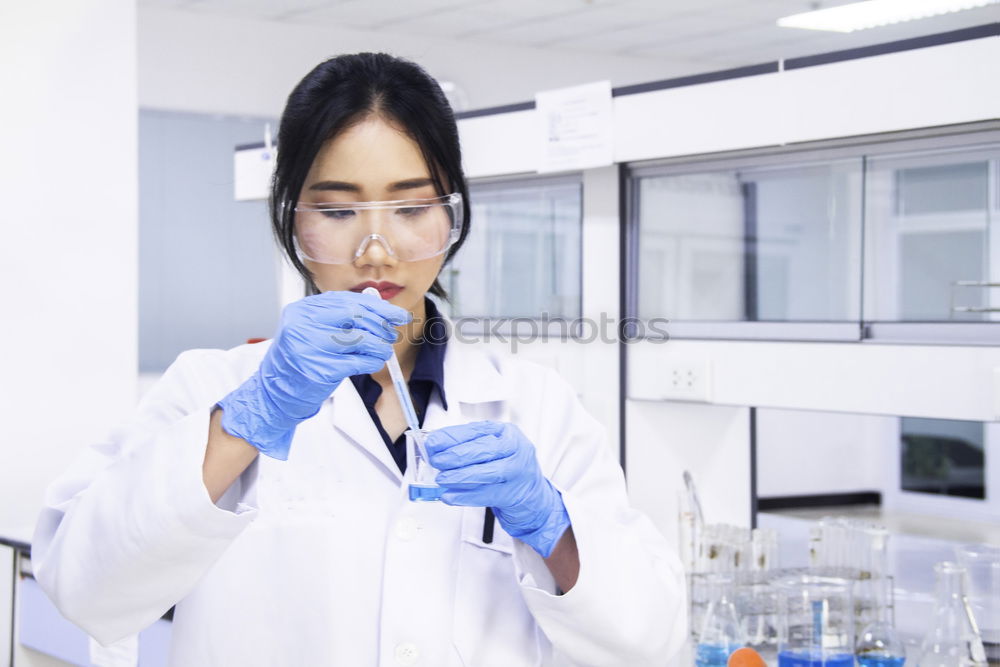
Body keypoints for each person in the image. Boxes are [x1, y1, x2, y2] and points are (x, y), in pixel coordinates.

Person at [32, 52, 686, 666]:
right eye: (340, 209)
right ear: (293, 219)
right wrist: (246, 421)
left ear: (452, 215)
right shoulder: (213, 387)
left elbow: (649, 636)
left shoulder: (536, 408)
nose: (377, 251)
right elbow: (82, 587)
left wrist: (549, 522)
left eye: (410, 207)